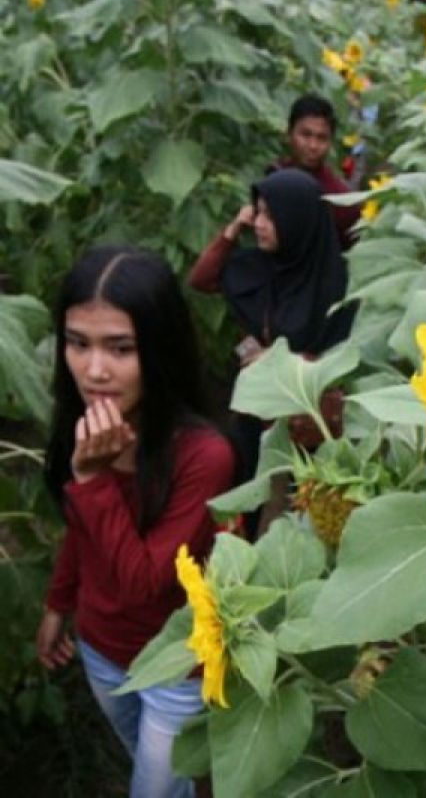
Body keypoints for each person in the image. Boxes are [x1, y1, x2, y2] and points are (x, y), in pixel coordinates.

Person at [36, 246, 236, 798]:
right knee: (148, 769)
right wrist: (59, 603)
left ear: (160, 348)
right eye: (77, 343)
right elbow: (84, 533)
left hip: (177, 665)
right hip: (101, 647)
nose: (94, 370)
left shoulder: (205, 456)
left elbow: (148, 579)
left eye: (120, 348)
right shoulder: (88, 425)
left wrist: (96, 481)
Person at [188, 168, 357, 505]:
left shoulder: (335, 286)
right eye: (258, 212)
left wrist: (281, 361)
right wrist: (233, 229)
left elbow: (343, 364)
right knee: (248, 495)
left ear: (297, 219)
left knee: (308, 509)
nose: (260, 223)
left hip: (309, 429)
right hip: (258, 415)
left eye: (271, 215)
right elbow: (201, 279)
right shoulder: (262, 266)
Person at [269, 94, 362, 249]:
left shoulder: (339, 201)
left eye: (322, 138)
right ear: (289, 134)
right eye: (306, 135)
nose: (313, 146)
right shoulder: (273, 176)